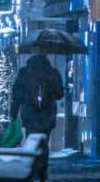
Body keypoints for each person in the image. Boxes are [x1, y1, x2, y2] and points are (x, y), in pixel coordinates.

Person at [11, 51, 64, 180]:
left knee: (31, 141)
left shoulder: (24, 73)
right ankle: (42, 170)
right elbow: (60, 94)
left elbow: (16, 95)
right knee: (44, 142)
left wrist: (13, 114)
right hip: (47, 114)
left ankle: (33, 168)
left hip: (30, 115)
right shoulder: (52, 72)